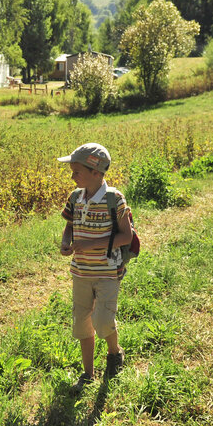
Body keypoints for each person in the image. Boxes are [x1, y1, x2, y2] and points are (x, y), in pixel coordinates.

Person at [58, 143, 134, 389]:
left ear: (96, 172)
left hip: (107, 273)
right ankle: (88, 374)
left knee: (102, 320)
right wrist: (66, 241)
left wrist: (90, 244)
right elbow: (69, 225)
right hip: (80, 272)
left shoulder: (114, 199)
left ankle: (114, 353)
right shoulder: (75, 197)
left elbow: (127, 237)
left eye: (77, 171)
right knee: (82, 323)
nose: (72, 176)